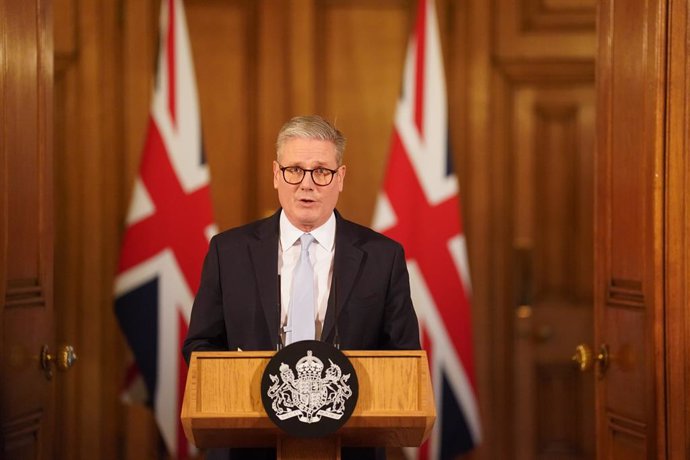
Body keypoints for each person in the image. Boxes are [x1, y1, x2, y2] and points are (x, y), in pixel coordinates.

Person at [182, 115, 420, 460]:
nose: (306, 184)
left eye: (321, 171)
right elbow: (200, 346)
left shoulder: (383, 257)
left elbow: (403, 355)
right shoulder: (229, 251)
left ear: (340, 178)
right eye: (295, 169)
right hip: (248, 446)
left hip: (351, 445)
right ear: (276, 174)